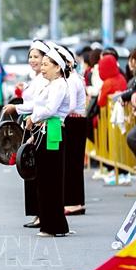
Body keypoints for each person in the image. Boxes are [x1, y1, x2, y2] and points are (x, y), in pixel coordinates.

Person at [2, 40, 50, 229]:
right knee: (29, 171)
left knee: (36, 171)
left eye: (36, 57)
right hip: (30, 125)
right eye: (30, 56)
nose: (32, 60)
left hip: (38, 126)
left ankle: (42, 214)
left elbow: (37, 105)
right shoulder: (35, 78)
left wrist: (16, 108)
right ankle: (37, 213)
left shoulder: (45, 80)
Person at [25, 47, 72, 237]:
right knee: (45, 179)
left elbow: (51, 109)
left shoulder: (59, 85)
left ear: (57, 67)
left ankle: (53, 226)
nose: (42, 68)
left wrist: (33, 118)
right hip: (45, 129)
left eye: (46, 64)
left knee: (51, 179)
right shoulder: (50, 84)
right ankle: (51, 223)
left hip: (53, 130)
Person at [55, 45, 88, 216]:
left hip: (75, 122)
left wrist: (58, 114)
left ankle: (75, 202)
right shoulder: (71, 78)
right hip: (73, 122)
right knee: (70, 163)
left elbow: (72, 105)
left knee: (73, 164)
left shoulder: (73, 80)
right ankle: (73, 201)